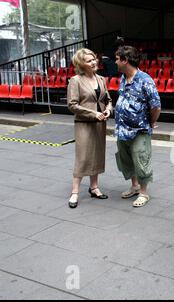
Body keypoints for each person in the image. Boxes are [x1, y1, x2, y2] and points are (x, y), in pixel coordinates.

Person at [114, 46, 161, 207]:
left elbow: (156, 106)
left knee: (141, 159)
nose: (115, 62)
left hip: (139, 130)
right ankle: (134, 186)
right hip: (122, 129)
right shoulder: (123, 77)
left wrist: (152, 122)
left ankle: (144, 192)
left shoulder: (144, 80)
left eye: (117, 58)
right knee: (126, 159)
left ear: (125, 60)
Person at [67, 48, 113, 208]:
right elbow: (72, 105)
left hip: (100, 123)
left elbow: (108, 99)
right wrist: (93, 113)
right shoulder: (75, 80)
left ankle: (94, 187)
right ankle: (75, 192)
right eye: (89, 60)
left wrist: (108, 109)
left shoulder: (101, 79)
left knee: (98, 155)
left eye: (94, 58)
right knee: (83, 157)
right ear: (81, 64)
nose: (94, 62)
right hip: (84, 124)